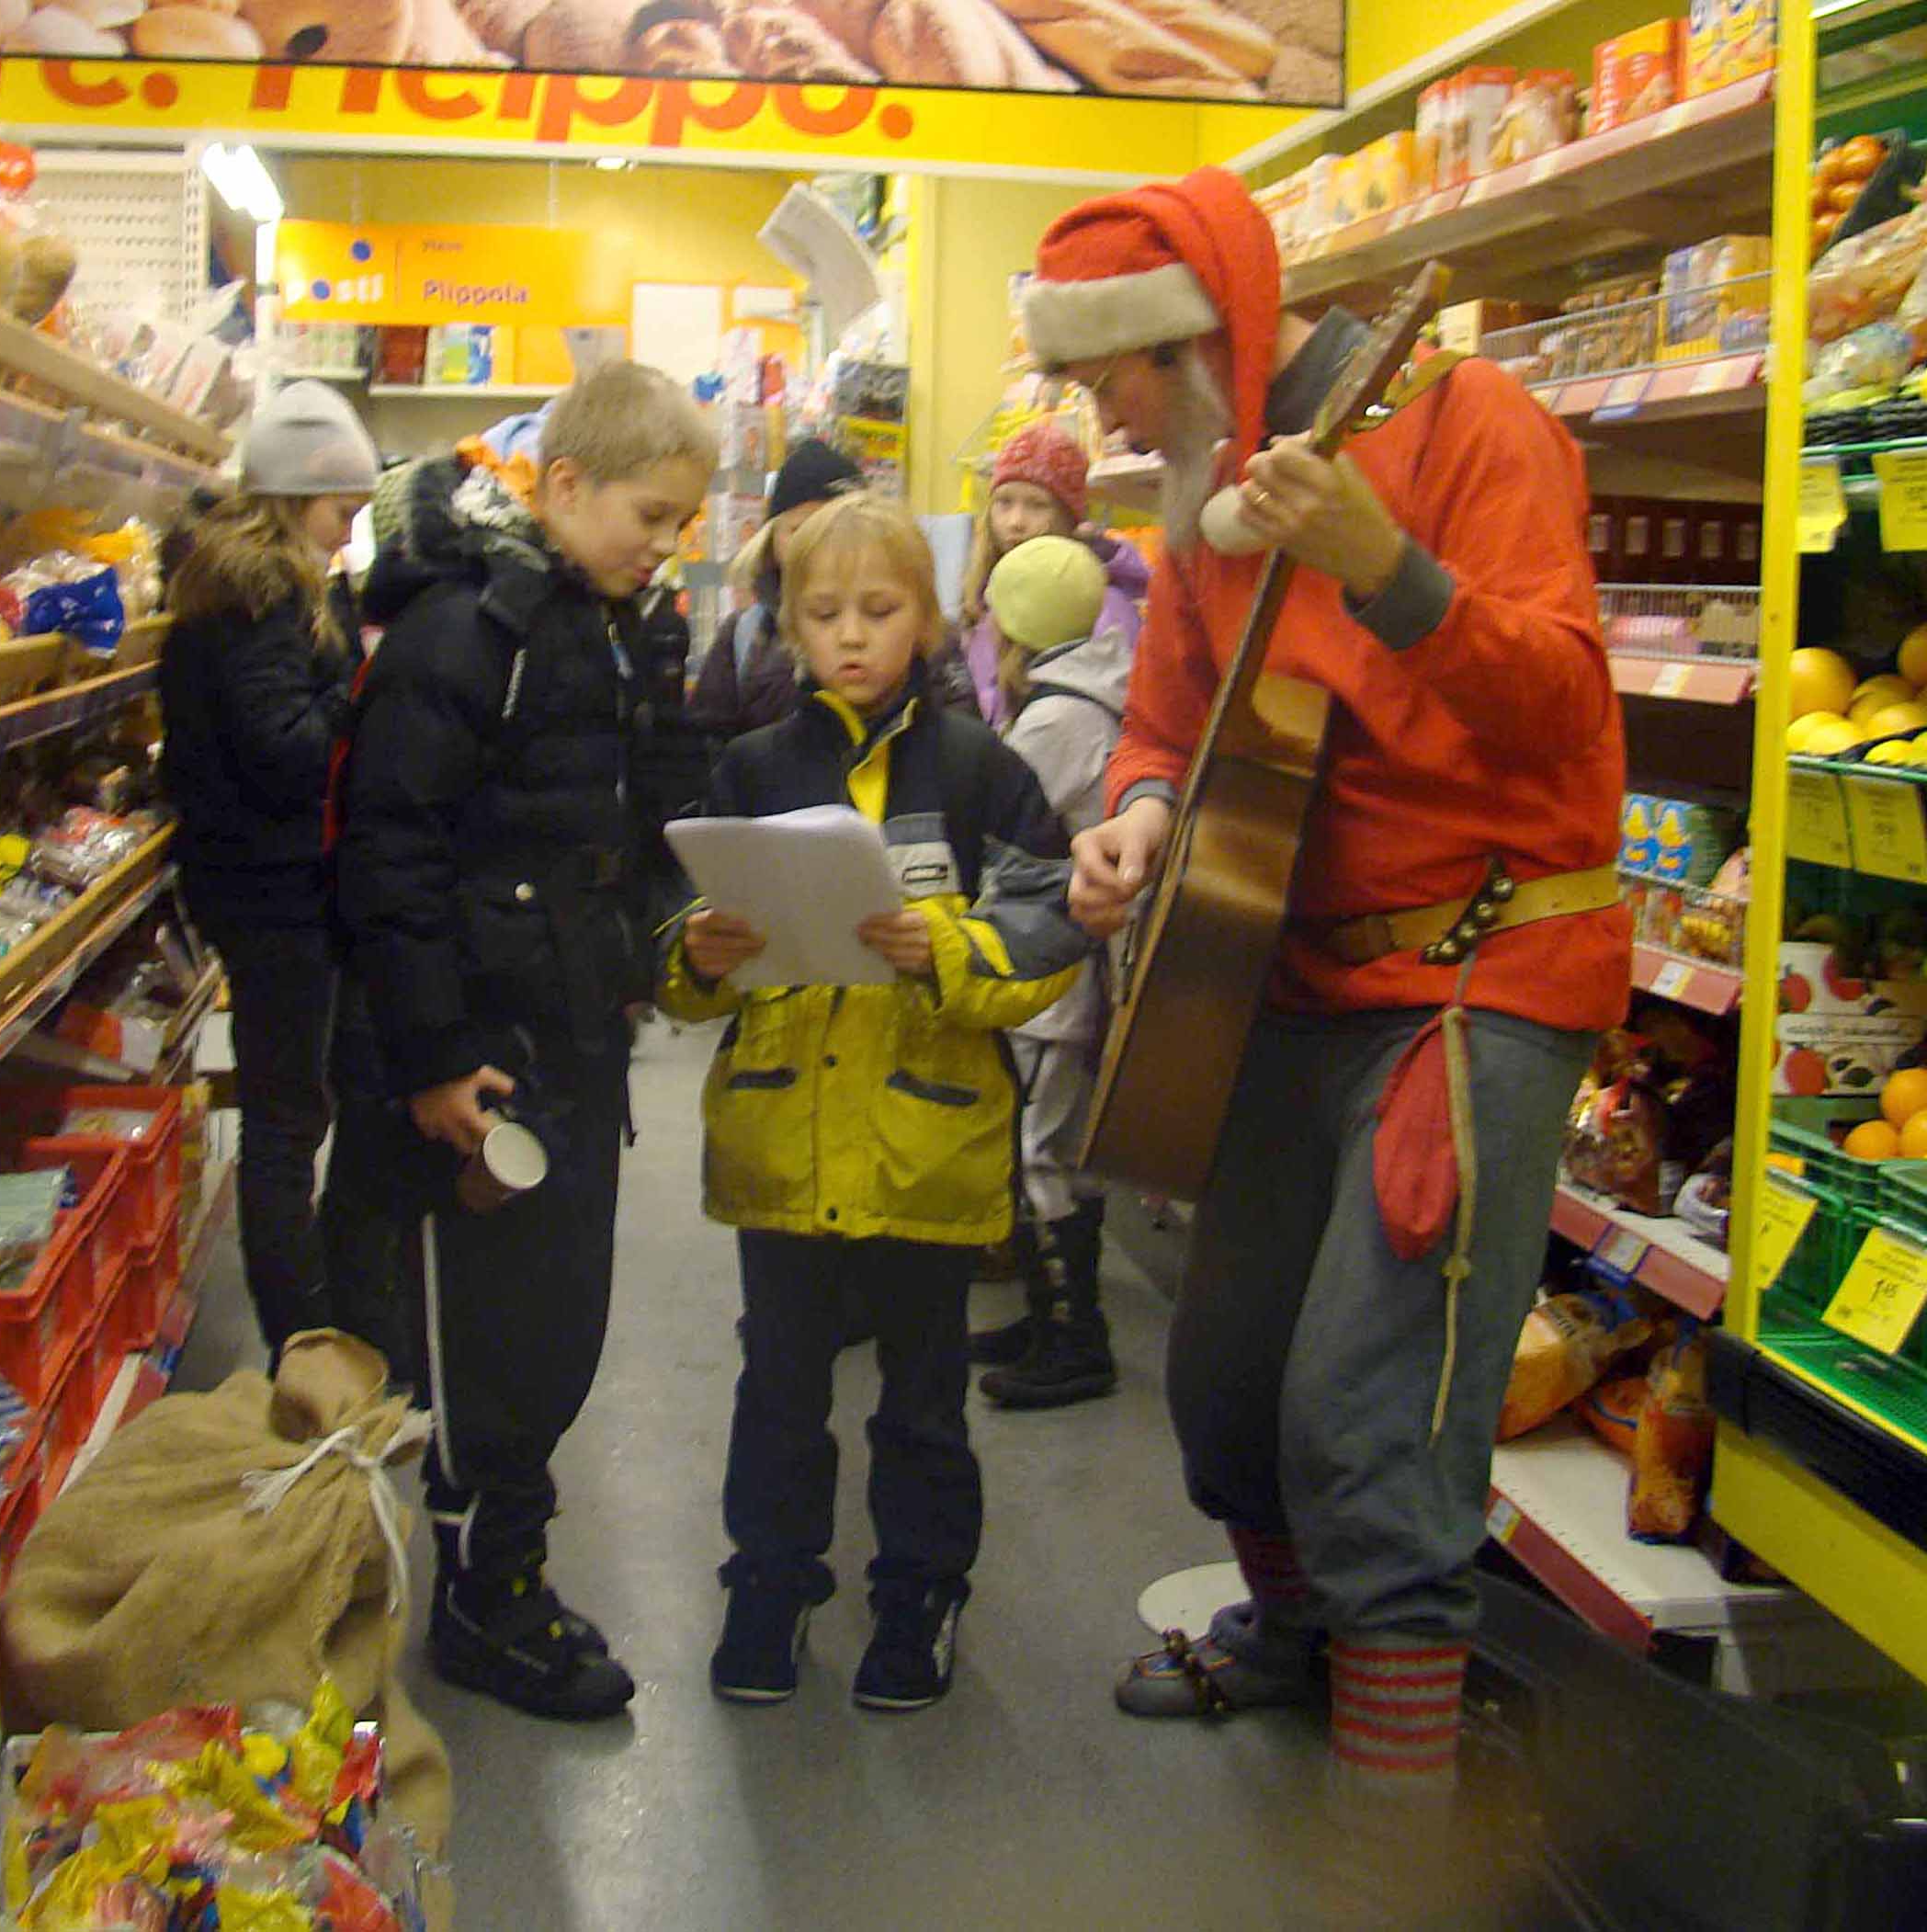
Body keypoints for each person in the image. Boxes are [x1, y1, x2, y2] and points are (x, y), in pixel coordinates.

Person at [1022, 167, 1631, 1787]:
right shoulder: (1204, 489)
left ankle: (1388, 1817)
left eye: (1107, 377)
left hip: (1478, 974)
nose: (1099, 416)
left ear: (1195, 338)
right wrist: (1138, 813)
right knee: (1224, 1383)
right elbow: (1168, 718)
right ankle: (1296, 1645)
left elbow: (1565, 706)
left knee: (1373, 1411)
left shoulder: (1474, 422)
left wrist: (1389, 570)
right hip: (1285, 971)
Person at [657, 491, 1085, 1714]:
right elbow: (676, 949)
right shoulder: (748, 769)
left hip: (926, 1144)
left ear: (929, 621)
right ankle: (769, 1581)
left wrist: (945, 947)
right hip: (781, 1145)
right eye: (825, 612)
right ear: (789, 625)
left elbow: (1048, 928)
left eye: (880, 609)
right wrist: (698, 955)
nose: (851, 634)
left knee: (922, 1395)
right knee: (778, 1387)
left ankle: (919, 1589)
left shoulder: (979, 769)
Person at [336, 361, 715, 1722]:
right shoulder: (462, 635)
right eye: (649, 514)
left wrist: (671, 938)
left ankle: (507, 1567)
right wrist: (435, 1056)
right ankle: (477, 1597)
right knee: (484, 1338)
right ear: (561, 485)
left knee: (554, 1327)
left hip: (573, 1040)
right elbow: (389, 854)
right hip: (480, 1063)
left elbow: (635, 824)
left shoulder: (613, 630)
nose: (664, 544)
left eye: (680, 522)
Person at [159, 380, 380, 1363]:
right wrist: (365, 698)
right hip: (270, 892)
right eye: (341, 511)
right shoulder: (261, 597)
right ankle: (300, 1341)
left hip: (264, 885)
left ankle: (309, 1318)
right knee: (286, 1122)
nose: (348, 533)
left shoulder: (266, 587)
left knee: (292, 1111)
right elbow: (284, 749)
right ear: (293, 498)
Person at [966, 535, 1129, 1411]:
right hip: (1074, 958)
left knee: (1037, 1149)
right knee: (1054, 1146)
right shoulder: (1093, 692)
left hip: (1050, 967)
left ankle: (1073, 1338)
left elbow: (1000, 828)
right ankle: (1047, 1317)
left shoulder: (1055, 719)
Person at [958, 420, 1149, 730]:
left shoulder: (1100, 606)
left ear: (1067, 518)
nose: (1015, 522)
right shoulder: (983, 598)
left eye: (1037, 505)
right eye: (1004, 502)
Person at [689, 438, 858, 745]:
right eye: (800, 530)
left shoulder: (908, 629)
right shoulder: (744, 636)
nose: (816, 545)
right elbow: (705, 751)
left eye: (835, 528)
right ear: (772, 538)